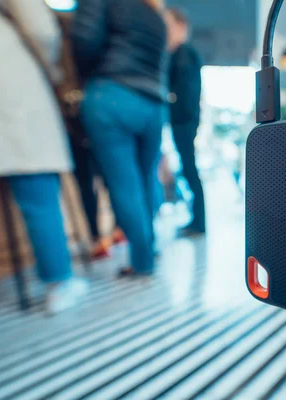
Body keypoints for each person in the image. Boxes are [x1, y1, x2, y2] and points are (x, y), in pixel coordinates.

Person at [0, 0, 89, 319]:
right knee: (35, 188)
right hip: (1, 76)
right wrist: (52, 69)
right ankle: (58, 283)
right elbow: (41, 28)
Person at [71, 0, 168, 276]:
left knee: (124, 184)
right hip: (153, 103)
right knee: (147, 179)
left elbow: (83, 40)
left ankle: (143, 260)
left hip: (112, 93)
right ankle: (148, 249)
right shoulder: (154, 14)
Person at [165, 8, 206, 236]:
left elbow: (187, 93)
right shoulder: (181, 54)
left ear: (181, 27)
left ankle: (199, 223)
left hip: (184, 121)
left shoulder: (184, 53)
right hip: (184, 120)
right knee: (188, 169)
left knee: (190, 169)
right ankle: (196, 221)